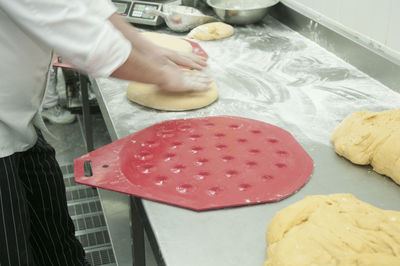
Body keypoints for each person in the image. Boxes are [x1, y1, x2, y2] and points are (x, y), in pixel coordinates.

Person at [0, 0, 211, 265]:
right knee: (11, 253)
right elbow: (76, 32)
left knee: (56, 241)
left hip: (21, 119)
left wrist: (147, 48)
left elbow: (88, 3)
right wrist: (167, 77)